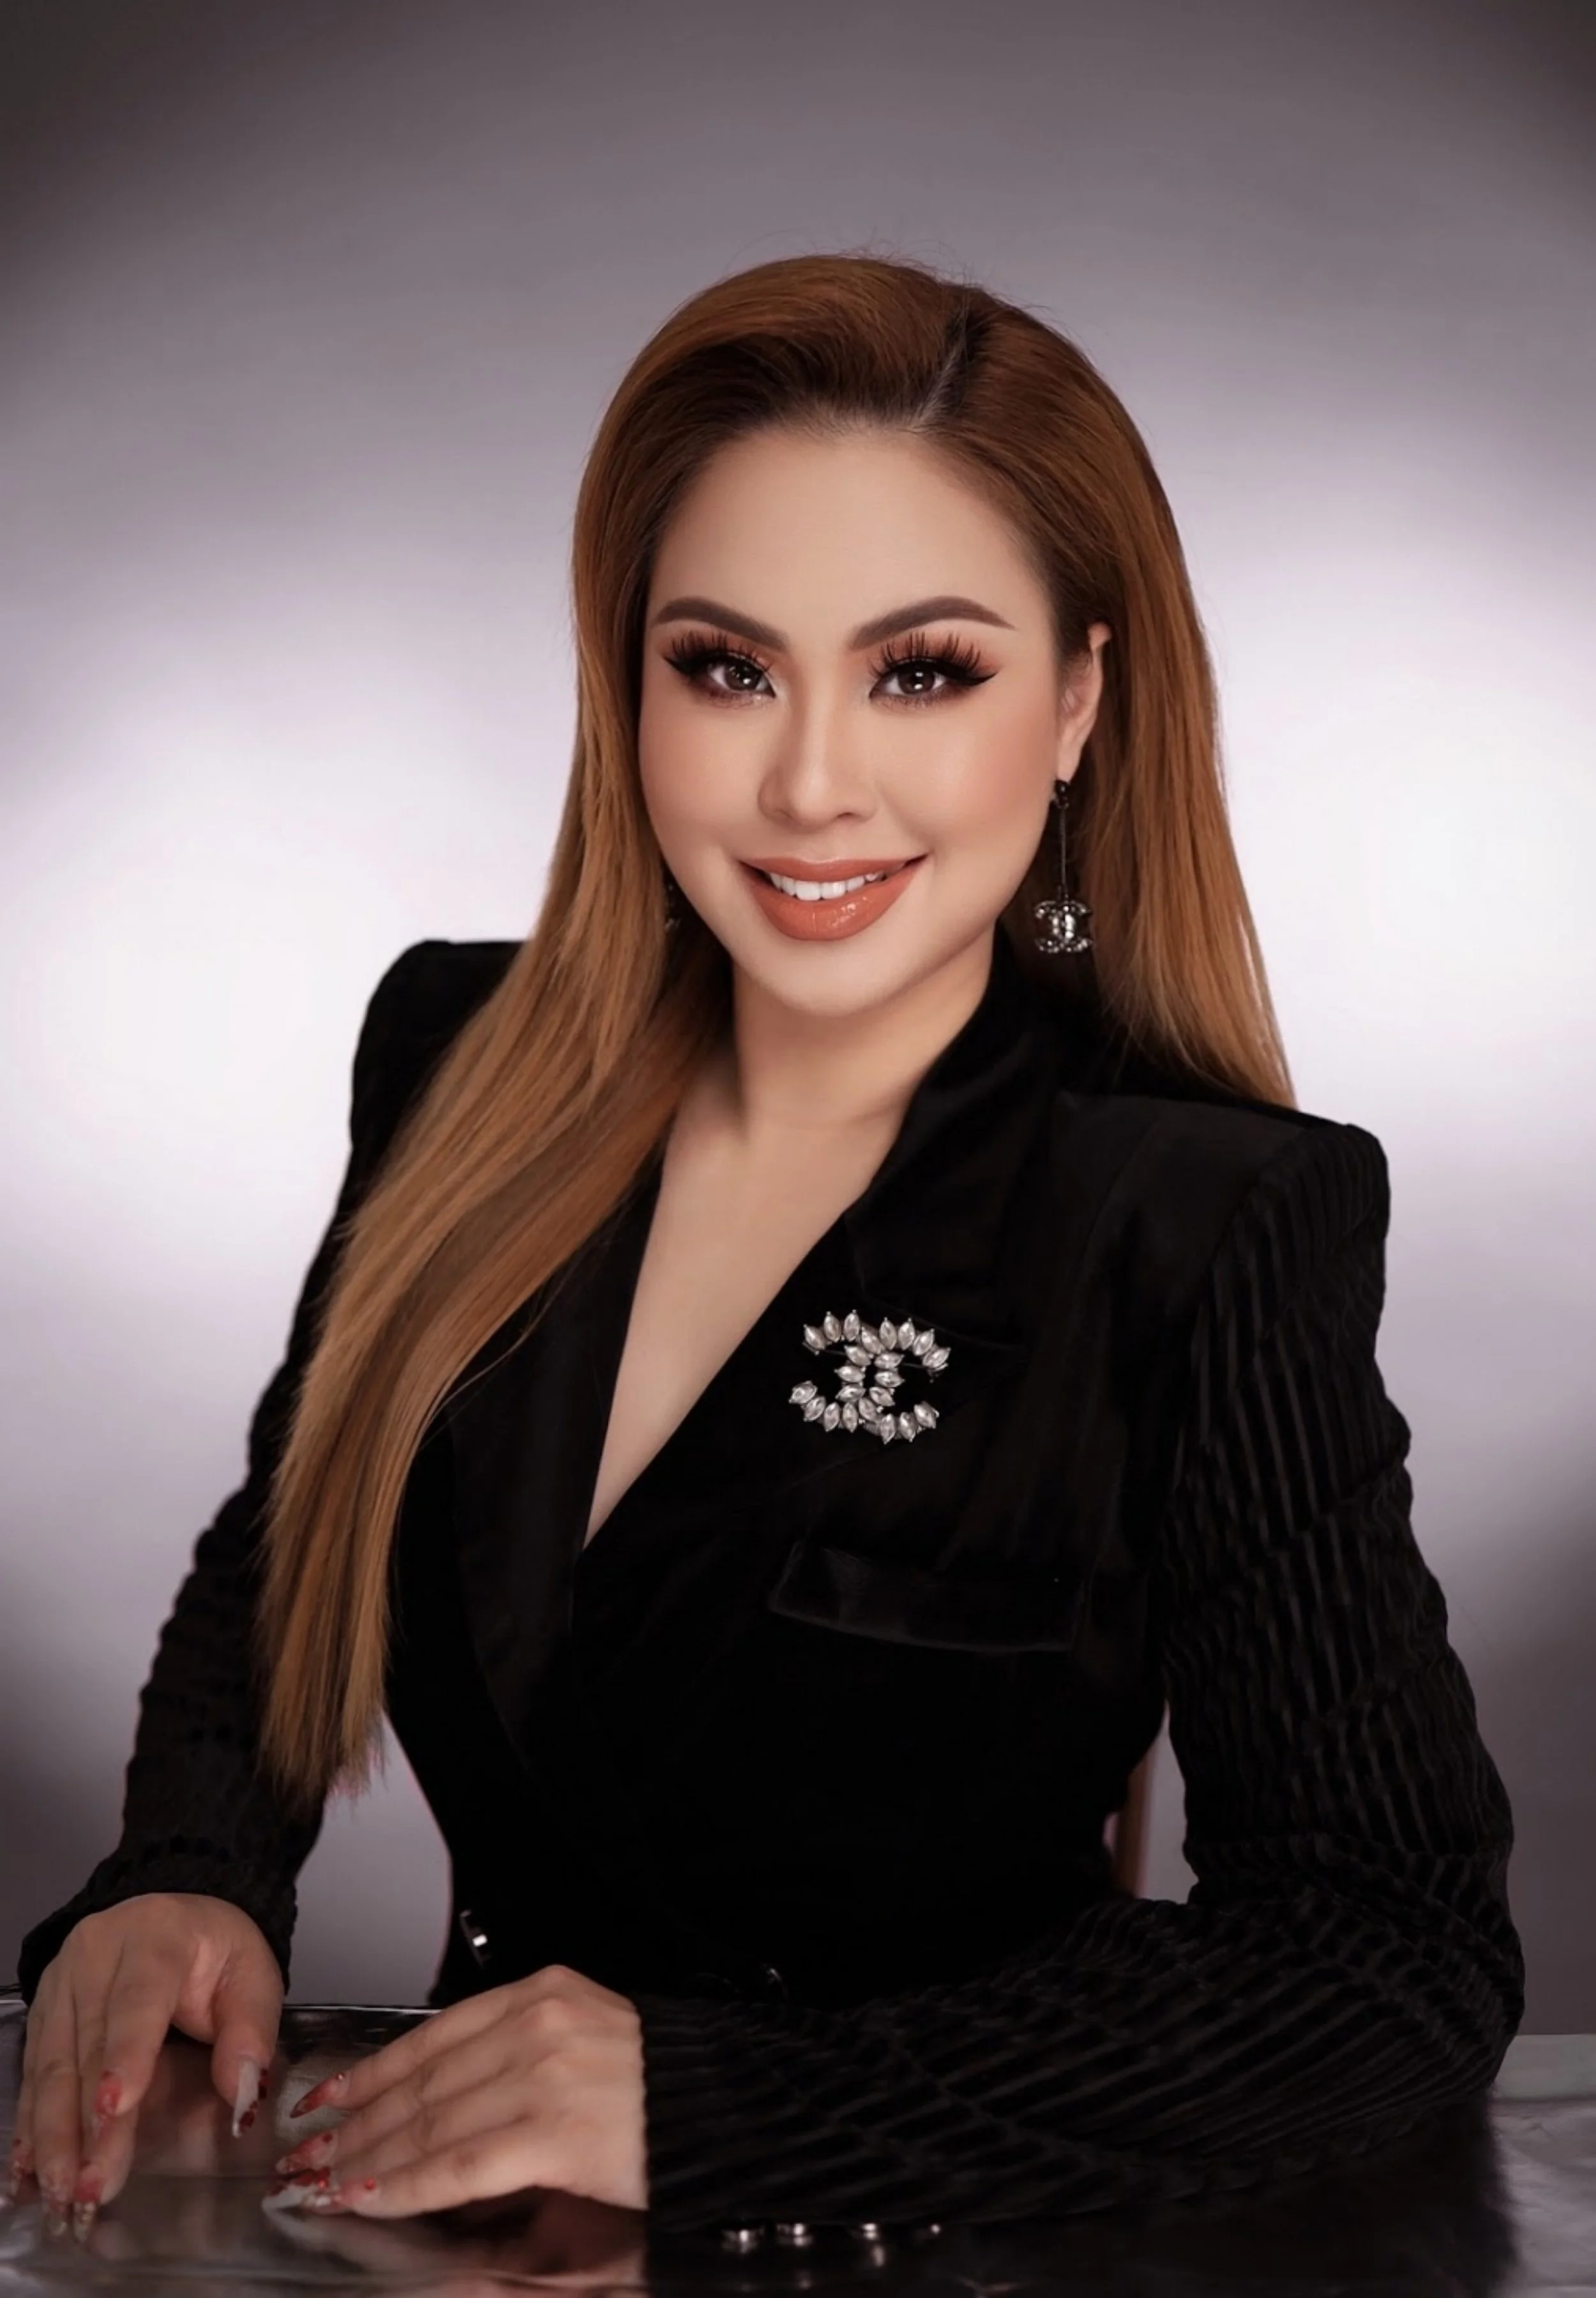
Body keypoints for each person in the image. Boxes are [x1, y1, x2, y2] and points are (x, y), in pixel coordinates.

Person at [10, 251, 1523, 2242]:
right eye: (725, 665)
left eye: (923, 669)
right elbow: (304, 1521)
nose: (810, 779)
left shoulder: (1202, 1219)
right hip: (441, 2239)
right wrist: (189, 1864)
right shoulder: (456, 1055)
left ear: (1076, 696)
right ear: (622, 679)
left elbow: (1386, 1953)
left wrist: (723, 2111)